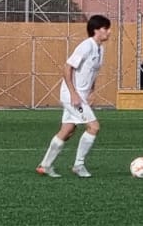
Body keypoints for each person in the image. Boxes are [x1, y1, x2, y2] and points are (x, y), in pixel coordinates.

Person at [38, 14, 111, 178]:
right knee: (94, 127)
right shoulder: (86, 46)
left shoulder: (100, 49)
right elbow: (67, 67)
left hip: (81, 95)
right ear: (96, 30)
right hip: (72, 95)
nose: (109, 32)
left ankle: (45, 165)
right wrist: (73, 93)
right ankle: (78, 165)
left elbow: (93, 72)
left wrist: (92, 91)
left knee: (68, 130)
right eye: (105, 28)